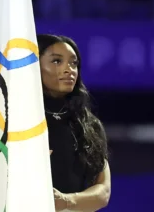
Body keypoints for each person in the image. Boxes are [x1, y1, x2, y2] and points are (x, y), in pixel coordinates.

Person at [37, 34, 111, 211]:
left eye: (74, 63)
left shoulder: (87, 124)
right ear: (34, 65)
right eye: (56, 61)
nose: (69, 69)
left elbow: (103, 191)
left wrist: (66, 201)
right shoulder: (15, 119)